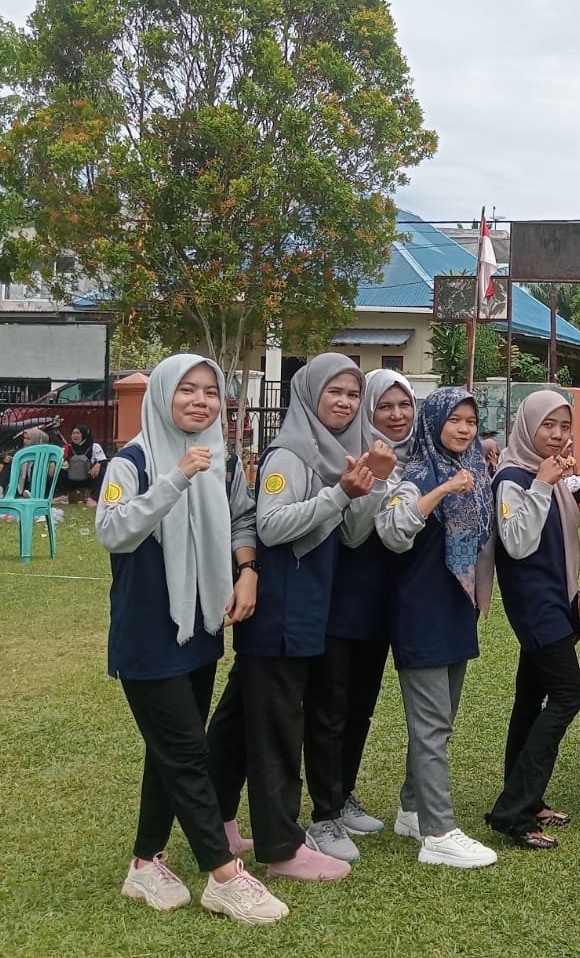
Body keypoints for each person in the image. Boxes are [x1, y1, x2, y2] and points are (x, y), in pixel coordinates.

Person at [96, 354, 287, 923]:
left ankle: (143, 864)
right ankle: (224, 876)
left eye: (210, 392)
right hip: (148, 633)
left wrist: (246, 569)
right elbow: (113, 531)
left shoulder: (223, 462)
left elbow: (241, 519)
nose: (201, 401)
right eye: (188, 390)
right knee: (187, 752)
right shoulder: (130, 461)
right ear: (162, 395)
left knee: (171, 750)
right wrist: (175, 477)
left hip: (201, 627)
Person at [205, 353, 392, 882]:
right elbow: (270, 525)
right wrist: (340, 493)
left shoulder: (338, 454)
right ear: (309, 394)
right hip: (282, 609)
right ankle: (282, 846)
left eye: (353, 394)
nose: (345, 402)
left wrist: (370, 486)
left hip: (309, 606)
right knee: (278, 731)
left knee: (240, 722)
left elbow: (352, 533)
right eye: (334, 391)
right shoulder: (291, 453)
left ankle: (215, 820)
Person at [375, 386, 499, 870]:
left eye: (471, 420)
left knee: (441, 722)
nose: (464, 428)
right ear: (435, 421)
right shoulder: (418, 472)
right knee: (429, 727)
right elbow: (391, 530)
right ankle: (439, 832)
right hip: (421, 612)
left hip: (457, 608)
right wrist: (442, 492)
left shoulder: (474, 471)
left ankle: (412, 806)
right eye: (455, 420)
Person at [301, 369, 415, 853]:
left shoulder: (417, 454)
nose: (395, 415)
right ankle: (323, 815)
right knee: (330, 708)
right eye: (384, 405)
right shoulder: (351, 455)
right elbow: (351, 533)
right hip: (341, 597)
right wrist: (377, 480)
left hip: (382, 602)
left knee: (361, 709)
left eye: (403, 405)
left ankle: (343, 795)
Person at [484, 390, 580, 850]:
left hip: (556, 601)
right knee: (568, 696)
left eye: (564, 426)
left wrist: (556, 483)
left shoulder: (547, 473)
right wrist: (543, 484)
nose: (558, 435)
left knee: (531, 698)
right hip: (536, 606)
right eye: (549, 426)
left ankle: (525, 797)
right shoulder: (512, 476)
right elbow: (518, 542)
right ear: (527, 426)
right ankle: (514, 811)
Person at [64, 424, 107, 504]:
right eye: (73, 433)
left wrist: (98, 465)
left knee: (101, 471)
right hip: (72, 477)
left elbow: (103, 461)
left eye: (78, 433)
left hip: (88, 477)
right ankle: (61, 496)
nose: (75, 436)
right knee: (59, 472)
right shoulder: (68, 447)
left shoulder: (94, 446)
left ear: (84, 434)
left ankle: (94, 498)